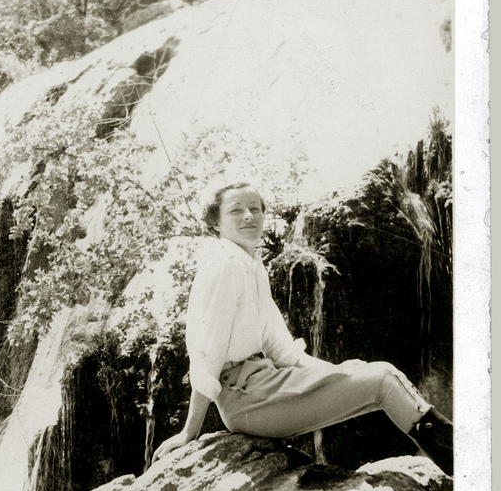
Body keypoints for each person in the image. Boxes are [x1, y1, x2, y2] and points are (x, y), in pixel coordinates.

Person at [151, 180, 453, 475]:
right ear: (215, 222)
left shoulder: (252, 267)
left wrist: (335, 371)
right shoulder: (225, 265)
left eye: (255, 209)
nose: (249, 216)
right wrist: (188, 432)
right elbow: (207, 355)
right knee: (383, 379)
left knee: (376, 376)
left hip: (264, 383)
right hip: (247, 398)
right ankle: (470, 469)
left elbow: (280, 348)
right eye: (236, 210)